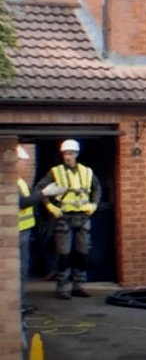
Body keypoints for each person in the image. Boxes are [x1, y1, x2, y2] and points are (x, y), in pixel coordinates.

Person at [34, 139, 101, 300]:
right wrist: (51, 208)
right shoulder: (55, 172)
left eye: (70, 153)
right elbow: (40, 190)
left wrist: (94, 205)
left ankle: (79, 285)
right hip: (63, 217)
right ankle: (63, 288)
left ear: (76, 154)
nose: (68, 156)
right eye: (65, 153)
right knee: (63, 255)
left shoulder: (87, 172)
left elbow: (97, 188)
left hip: (83, 217)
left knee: (82, 253)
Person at [18, 146, 66, 354]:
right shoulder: (11, 181)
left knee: (22, 273)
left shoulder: (20, 181)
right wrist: (45, 193)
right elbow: (21, 202)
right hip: (16, 235)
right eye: (25, 161)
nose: (29, 165)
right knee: (18, 273)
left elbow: (30, 201)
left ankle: (21, 305)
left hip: (25, 232)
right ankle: (17, 310)